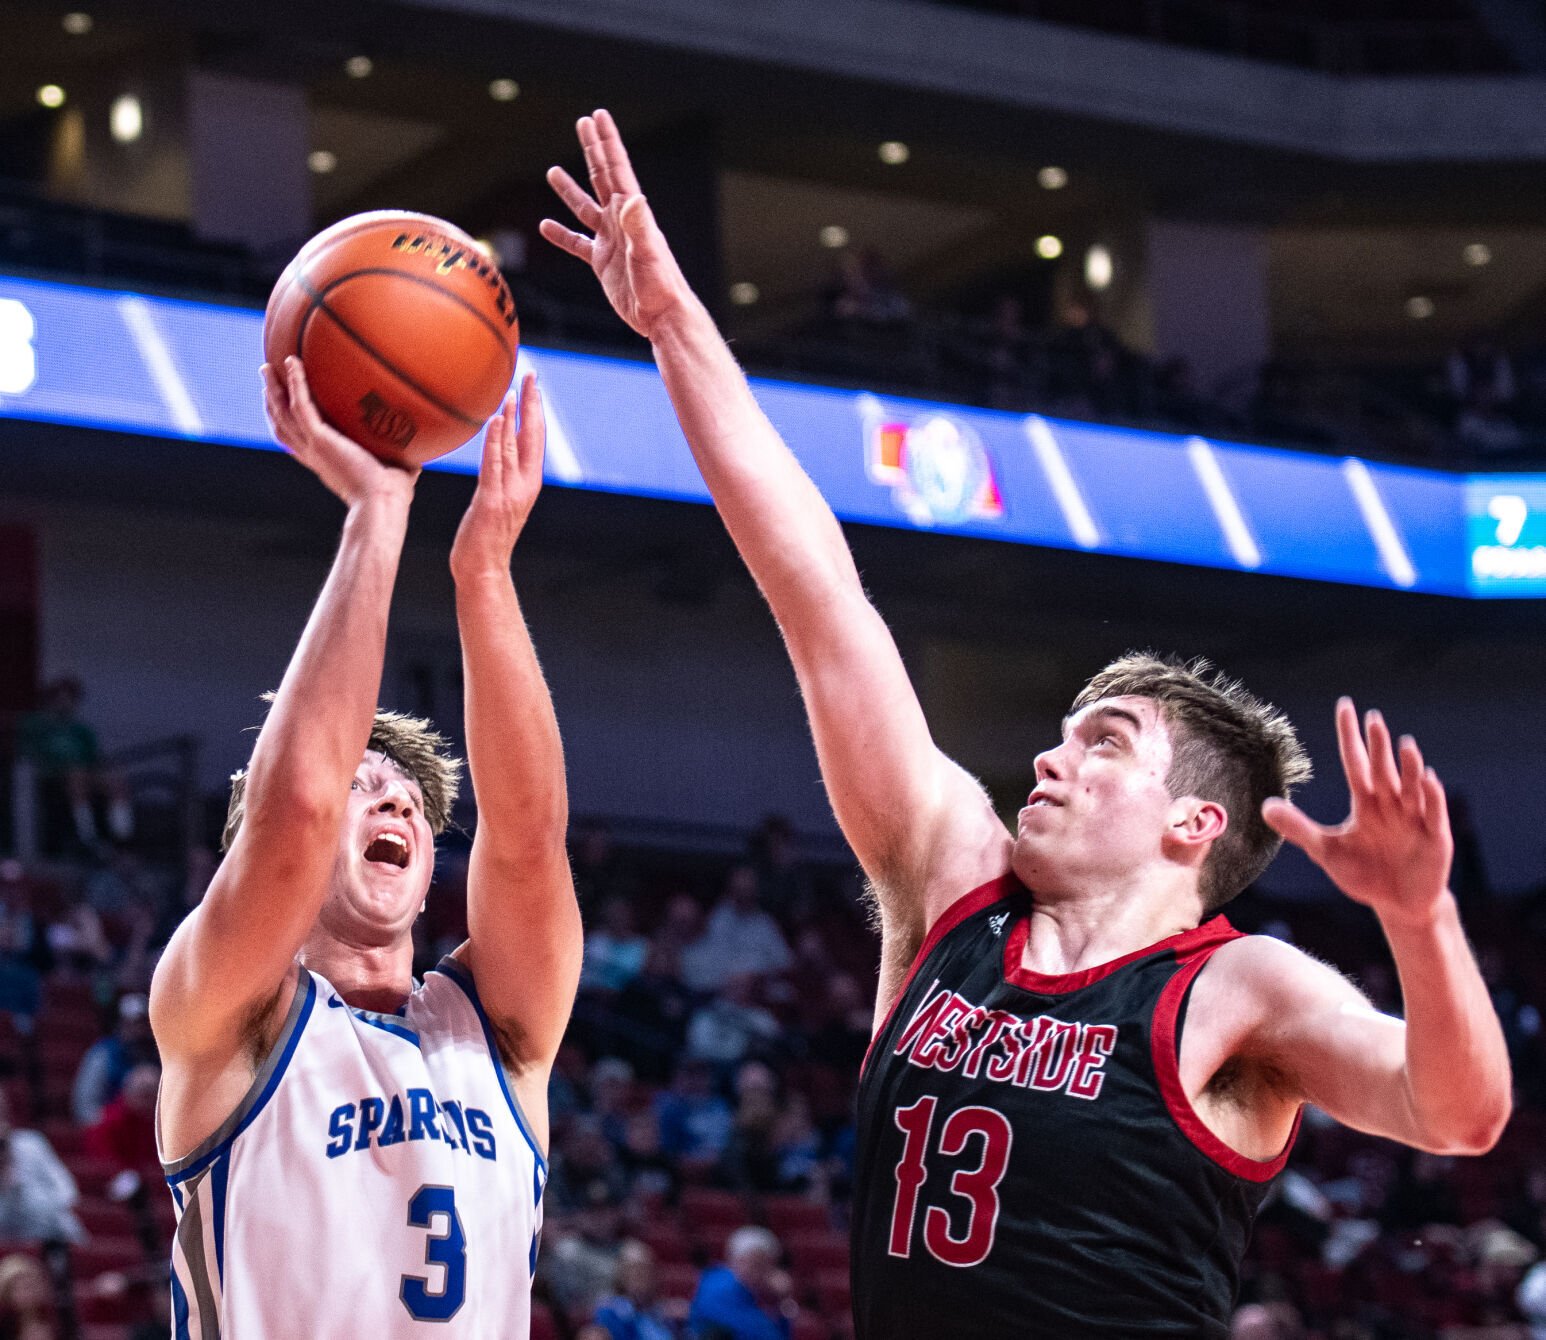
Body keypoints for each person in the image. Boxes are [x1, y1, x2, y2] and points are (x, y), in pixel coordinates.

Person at [543, 109, 1513, 1338]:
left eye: (1106, 740)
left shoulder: (1236, 987)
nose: (1052, 755)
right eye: (1066, 729)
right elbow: (819, 597)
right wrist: (674, 323)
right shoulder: (951, 882)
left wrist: (1420, 919)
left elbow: (1460, 1112)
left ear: (1192, 821)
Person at [149, 361, 582, 1335]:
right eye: (364, 783)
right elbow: (295, 805)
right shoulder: (229, 1016)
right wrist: (376, 516)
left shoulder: (495, 1033)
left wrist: (485, 574)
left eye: (410, 801)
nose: (391, 797)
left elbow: (526, 839)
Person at [686, 1226, 793, 1340]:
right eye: (756, 1263)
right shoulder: (718, 1284)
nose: (762, 1272)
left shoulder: (757, 1292)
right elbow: (760, 1333)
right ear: (736, 1260)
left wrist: (777, 1303)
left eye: (767, 1265)